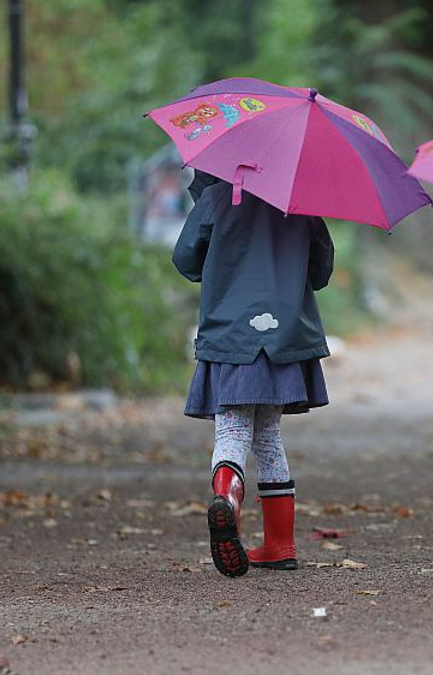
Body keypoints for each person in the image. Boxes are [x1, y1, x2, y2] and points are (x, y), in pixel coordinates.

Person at [172, 170, 334, 578]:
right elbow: (321, 272)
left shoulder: (216, 199)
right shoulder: (300, 204)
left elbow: (187, 261)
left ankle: (226, 499)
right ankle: (281, 544)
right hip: (283, 338)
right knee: (267, 437)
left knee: (231, 431)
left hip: (231, 334)